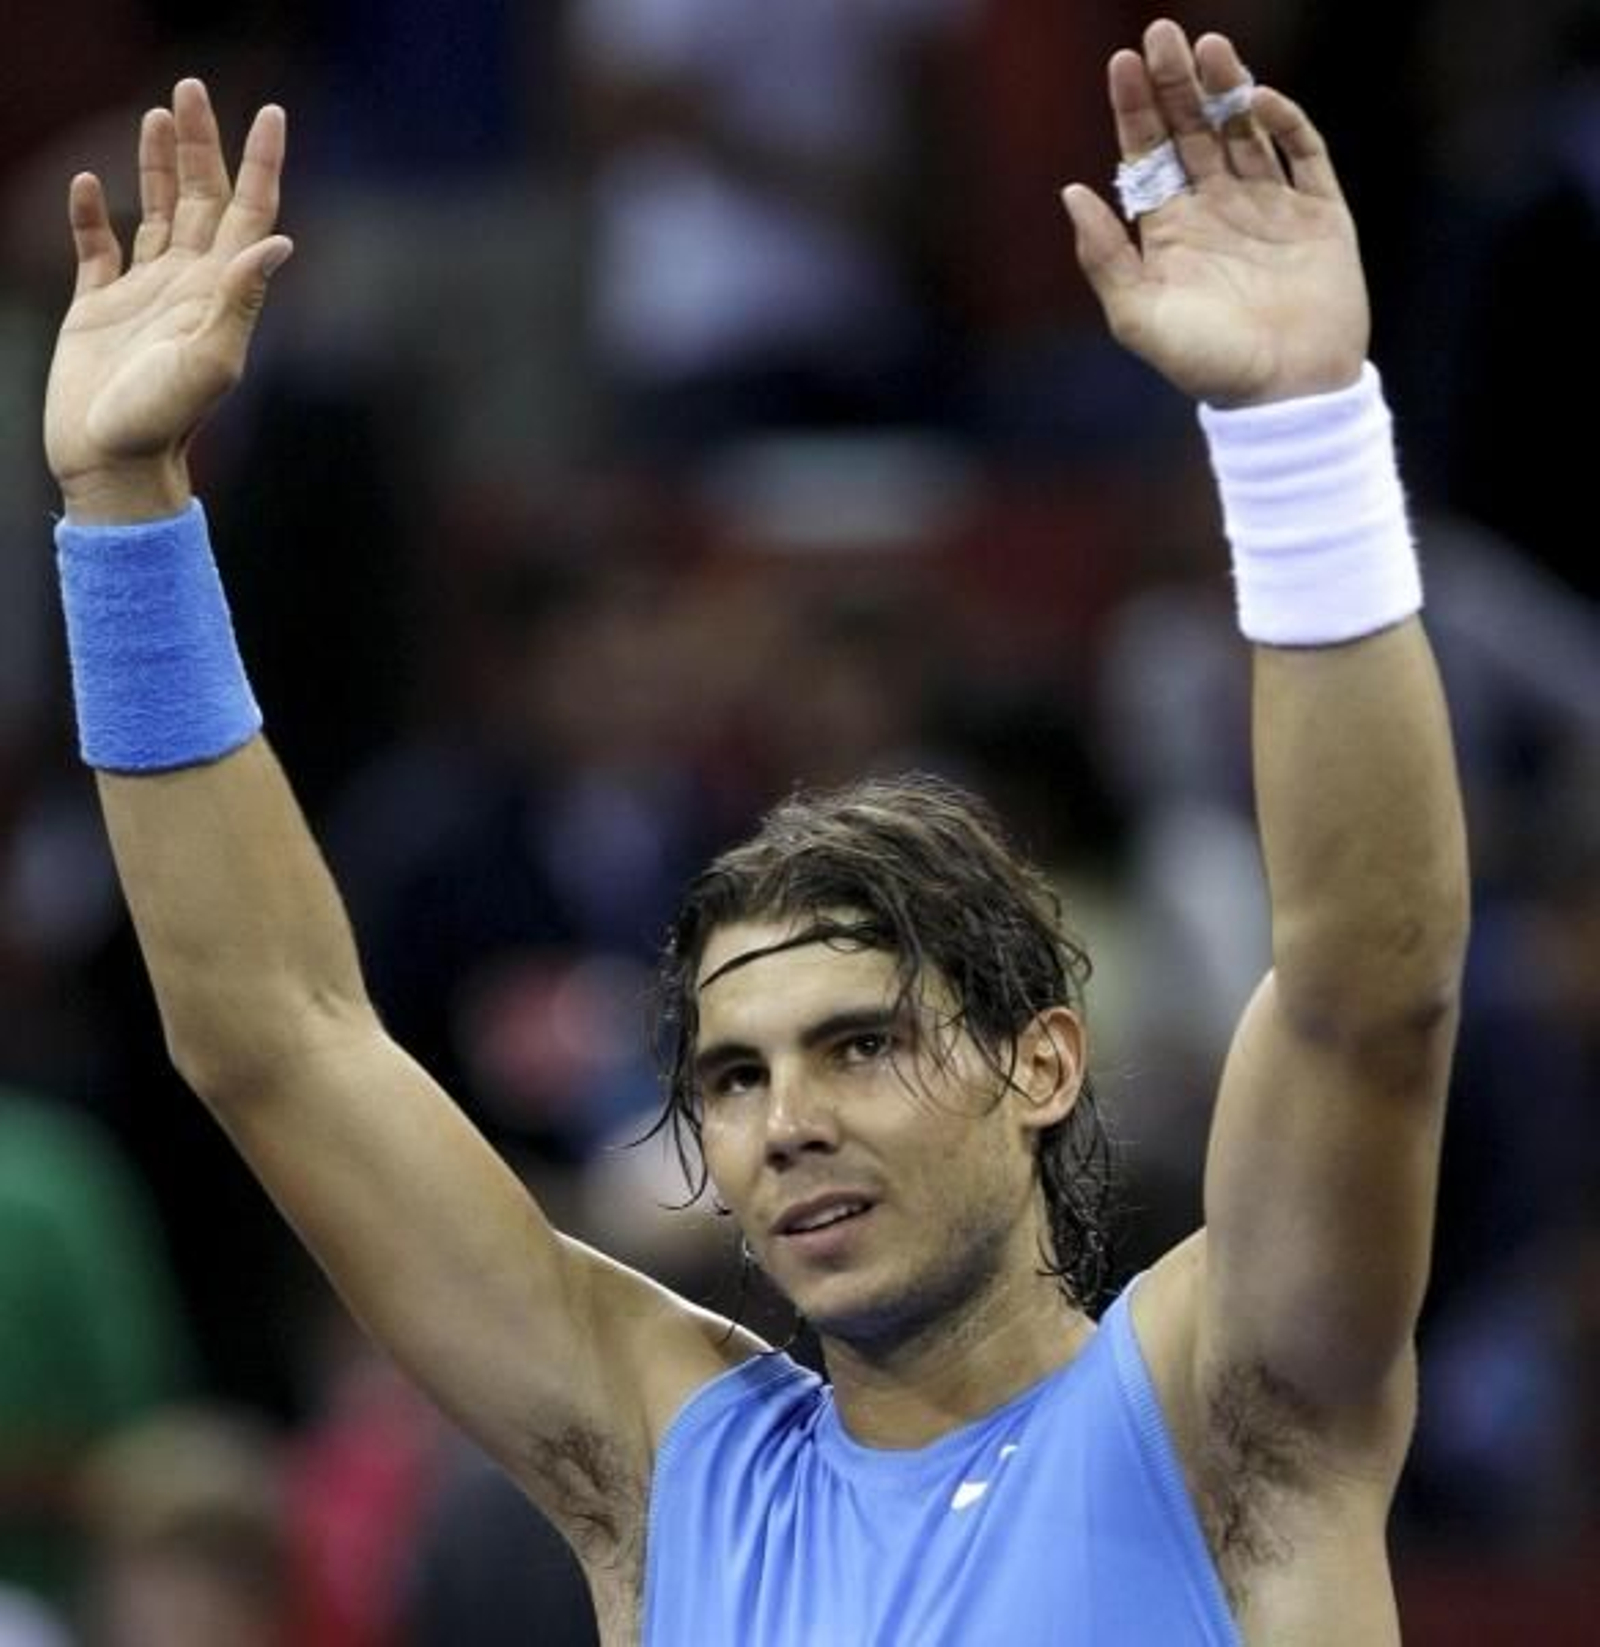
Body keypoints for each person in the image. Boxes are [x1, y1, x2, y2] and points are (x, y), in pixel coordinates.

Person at [42, 16, 1468, 1645]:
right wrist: (125, 510)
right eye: (733, 1076)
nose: (783, 1120)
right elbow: (274, 1037)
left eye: (861, 1046)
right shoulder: (660, 1470)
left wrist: (1298, 431)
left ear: (1046, 1062)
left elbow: (1371, 986)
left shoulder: (1232, 1415)